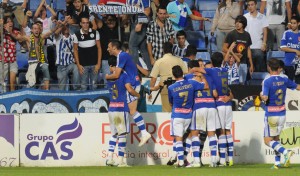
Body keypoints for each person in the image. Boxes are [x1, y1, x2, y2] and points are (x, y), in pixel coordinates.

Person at [106, 40, 151, 147]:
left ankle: (144, 133)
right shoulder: (122, 56)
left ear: (114, 47)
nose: (107, 49)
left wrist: (107, 77)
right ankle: (144, 132)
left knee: (132, 111)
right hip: (134, 83)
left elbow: (116, 75)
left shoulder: (122, 56)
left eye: (109, 47)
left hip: (133, 84)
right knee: (131, 111)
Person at [261, 58, 300, 169]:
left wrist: (261, 95)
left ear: (269, 67)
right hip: (282, 113)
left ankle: (286, 151)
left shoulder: (267, 81)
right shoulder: (284, 79)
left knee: (267, 140)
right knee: (276, 138)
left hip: (271, 114)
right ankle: (277, 163)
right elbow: (297, 87)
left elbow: (265, 97)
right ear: (279, 68)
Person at [168, 65, 207, 167]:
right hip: (188, 115)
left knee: (178, 139)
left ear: (173, 75)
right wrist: (202, 77)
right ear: (182, 73)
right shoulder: (192, 83)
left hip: (177, 115)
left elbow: (170, 102)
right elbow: (205, 86)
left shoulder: (171, 87)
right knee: (187, 136)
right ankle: (187, 159)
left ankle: (180, 161)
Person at [105, 56, 140, 167]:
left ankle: (109, 158)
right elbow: (129, 89)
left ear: (110, 66)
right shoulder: (124, 76)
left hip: (111, 108)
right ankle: (120, 161)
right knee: (123, 134)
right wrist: (138, 95)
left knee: (114, 134)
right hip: (121, 108)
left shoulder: (107, 77)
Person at [185, 60, 218, 167]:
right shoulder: (210, 78)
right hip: (211, 107)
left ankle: (196, 161)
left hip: (199, 107)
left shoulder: (189, 78)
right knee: (211, 134)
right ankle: (213, 160)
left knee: (194, 133)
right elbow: (215, 93)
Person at [149, 42, 188, 112]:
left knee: (167, 112)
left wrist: (150, 92)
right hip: (178, 88)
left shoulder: (159, 62)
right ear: (172, 49)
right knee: (179, 110)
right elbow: (186, 73)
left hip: (165, 88)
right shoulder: (178, 60)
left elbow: (153, 79)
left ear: (163, 50)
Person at [24, 21, 61, 90]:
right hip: (32, 62)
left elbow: (50, 32)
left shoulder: (42, 37)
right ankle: (30, 90)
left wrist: (57, 26)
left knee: (45, 68)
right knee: (32, 82)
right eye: (34, 28)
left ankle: (47, 91)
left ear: (40, 30)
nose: (36, 30)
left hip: (42, 61)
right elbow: (19, 36)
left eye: (37, 28)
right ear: (32, 30)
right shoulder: (28, 38)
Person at [223, 15, 254, 84]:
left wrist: (251, 64)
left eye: (239, 22)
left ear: (244, 24)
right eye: (236, 22)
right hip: (233, 63)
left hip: (243, 62)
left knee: (242, 83)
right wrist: (234, 54)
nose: (237, 24)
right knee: (234, 82)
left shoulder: (247, 35)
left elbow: (248, 50)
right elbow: (224, 48)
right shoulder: (231, 34)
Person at [73, 17, 102, 91]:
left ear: (89, 24)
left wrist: (98, 64)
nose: (85, 25)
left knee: (94, 85)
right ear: (80, 24)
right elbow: (75, 50)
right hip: (83, 66)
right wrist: (78, 65)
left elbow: (99, 48)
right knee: (83, 87)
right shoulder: (76, 35)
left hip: (94, 65)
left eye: (87, 23)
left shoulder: (95, 33)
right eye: (83, 23)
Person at [97, 14, 124, 88]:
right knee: (107, 82)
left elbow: (125, 18)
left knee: (118, 80)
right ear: (105, 21)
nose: (111, 22)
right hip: (106, 60)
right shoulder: (103, 28)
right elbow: (97, 20)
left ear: (116, 21)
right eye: (109, 20)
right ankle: (108, 97)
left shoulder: (119, 28)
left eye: (112, 20)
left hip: (117, 59)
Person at [0, 16, 25, 92]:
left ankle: (12, 98)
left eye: (11, 21)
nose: (10, 23)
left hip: (12, 61)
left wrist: (10, 32)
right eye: (8, 22)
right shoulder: (2, 31)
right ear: (4, 24)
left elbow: (20, 39)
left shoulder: (15, 32)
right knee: (2, 82)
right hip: (2, 61)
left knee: (12, 82)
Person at [244, 0, 269, 72]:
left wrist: (264, 43)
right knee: (249, 71)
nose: (250, 7)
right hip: (248, 48)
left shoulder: (262, 17)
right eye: (248, 5)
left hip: (258, 47)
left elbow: (265, 31)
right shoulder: (245, 17)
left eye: (252, 5)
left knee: (259, 70)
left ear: (256, 5)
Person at [54, 24, 80, 91]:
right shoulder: (59, 37)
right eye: (64, 27)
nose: (66, 28)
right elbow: (56, 33)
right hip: (61, 65)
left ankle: (76, 89)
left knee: (77, 67)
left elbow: (76, 49)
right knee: (62, 89)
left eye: (67, 27)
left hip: (70, 64)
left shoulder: (73, 37)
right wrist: (63, 24)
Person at [280, 16, 300, 83]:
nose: (292, 25)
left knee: (298, 85)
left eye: (294, 23)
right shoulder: (287, 33)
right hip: (288, 64)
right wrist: (295, 50)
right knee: (288, 84)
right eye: (291, 23)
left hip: (298, 64)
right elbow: (282, 47)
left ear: (298, 23)